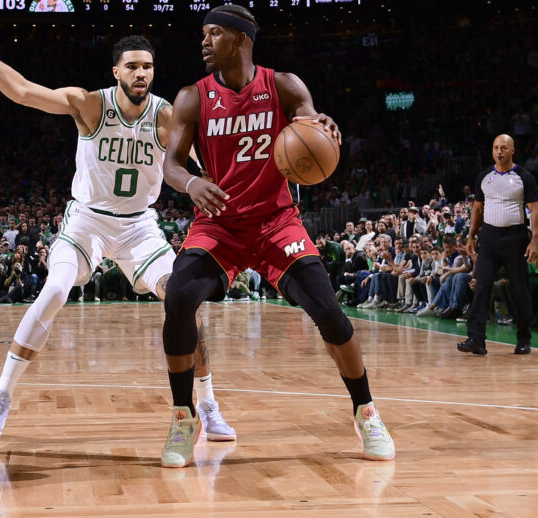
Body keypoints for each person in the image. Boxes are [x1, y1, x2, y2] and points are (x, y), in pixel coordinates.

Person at [0, 19, 236, 442]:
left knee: (184, 298)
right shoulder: (90, 105)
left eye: (148, 67)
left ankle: (208, 404)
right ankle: (1, 394)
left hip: (140, 227)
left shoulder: (167, 117)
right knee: (56, 289)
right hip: (88, 221)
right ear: (115, 71)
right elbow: (23, 91)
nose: (142, 74)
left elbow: (210, 162)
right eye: (133, 66)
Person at [157, 4, 393, 468]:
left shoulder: (282, 84)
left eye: (214, 33)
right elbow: (171, 163)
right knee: (179, 298)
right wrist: (190, 182)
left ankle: (366, 410)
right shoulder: (192, 96)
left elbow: (311, 120)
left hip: (275, 222)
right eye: (203, 34)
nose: (204, 42)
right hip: (220, 222)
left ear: (241, 39)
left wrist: (323, 127)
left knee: (329, 312)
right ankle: (184, 417)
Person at [457, 135, 538, 355]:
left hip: (516, 237)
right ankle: (476, 339)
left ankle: (524, 339)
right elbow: (477, 208)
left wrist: (534, 241)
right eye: (495, 148)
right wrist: (470, 236)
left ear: (513, 150)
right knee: (481, 286)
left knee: (520, 289)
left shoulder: (524, 176)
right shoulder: (484, 176)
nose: (499, 151)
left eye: (504, 147)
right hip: (489, 238)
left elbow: (535, 209)